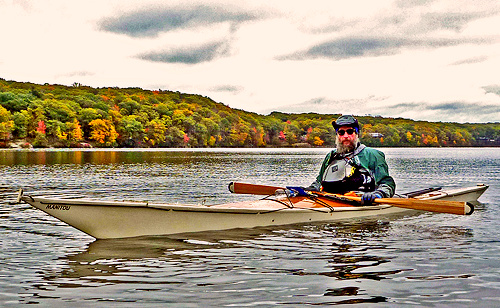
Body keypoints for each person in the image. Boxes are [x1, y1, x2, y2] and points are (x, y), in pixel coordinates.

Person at [307, 115, 395, 205]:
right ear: (337, 135)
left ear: (356, 134)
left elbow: (387, 184)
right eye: (341, 132)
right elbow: (319, 181)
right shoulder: (331, 156)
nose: (346, 136)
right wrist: (307, 190)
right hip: (330, 200)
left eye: (350, 132)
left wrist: (378, 194)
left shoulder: (373, 155)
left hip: (362, 202)